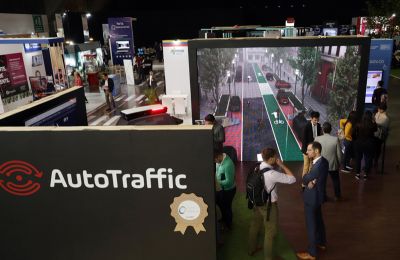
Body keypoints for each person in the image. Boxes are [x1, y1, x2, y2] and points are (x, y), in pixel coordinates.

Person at [248, 148, 296, 259]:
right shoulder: (272, 173)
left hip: (256, 202)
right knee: (270, 232)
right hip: (269, 206)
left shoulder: (257, 167)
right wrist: (282, 165)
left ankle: (251, 249)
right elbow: (292, 179)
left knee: (254, 225)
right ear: (271, 158)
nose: (277, 158)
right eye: (276, 156)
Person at [297, 142, 329, 260]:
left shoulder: (317, 166)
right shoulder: (324, 161)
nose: (307, 152)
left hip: (312, 198)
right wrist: (313, 180)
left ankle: (312, 253)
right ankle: (321, 242)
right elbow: (313, 178)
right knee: (319, 220)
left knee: (311, 225)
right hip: (318, 197)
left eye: (309, 150)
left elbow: (305, 177)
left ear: (317, 151)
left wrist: (309, 179)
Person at [315, 122, 342, 201]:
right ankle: (337, 196)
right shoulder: (335, 139)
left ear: (322, 129)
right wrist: (339, 163)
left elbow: (315, 152)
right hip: (332, 164)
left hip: (320, 165)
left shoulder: (317, 139)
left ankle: (322, 197)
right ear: (330, 130)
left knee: (322, 181)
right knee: (336, 180)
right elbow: (339, 154)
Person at [214, 149, 236, 230]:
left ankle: (228, 225)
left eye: (215, 160)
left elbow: (229, 182)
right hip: (221, 188)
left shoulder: (228, 165)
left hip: (229, 190)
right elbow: (217, 173)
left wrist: (217, 182)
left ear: (219, 156)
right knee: (222, 206)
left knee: (227, 207)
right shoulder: (218, 161)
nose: (215, 162)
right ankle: (224, 219)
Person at [352, 111, 377, 180]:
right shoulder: (372, 125)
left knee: (358, 159)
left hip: (359, 143)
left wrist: (355, 139)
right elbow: (376, 129)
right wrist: (374, 121)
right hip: (369, 144)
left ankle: (357, 174)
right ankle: (366, 174)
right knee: (368, 159)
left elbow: (353, 133)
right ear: (370, 117)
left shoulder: (358, 124)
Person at [301, 111, 322, 177]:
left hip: (314, 150)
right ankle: (304, 184)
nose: (316, 121)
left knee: (312, 166)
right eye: (315, 120)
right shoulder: (306, 126)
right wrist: (306, 152)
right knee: (306, 166)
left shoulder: (318, 126)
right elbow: (304, 140)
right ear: (311, 118)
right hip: (307, 150)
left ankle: (309, 180)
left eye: (317, 120)